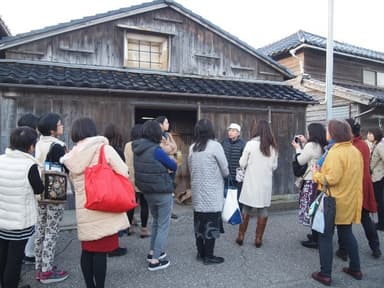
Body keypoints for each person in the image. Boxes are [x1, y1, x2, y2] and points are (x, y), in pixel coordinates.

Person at [62, 118, 129, 288]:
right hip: (105, 204)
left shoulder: (71, 156)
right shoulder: (104, 149)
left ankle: (89, 285)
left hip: (85, 207)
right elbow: (124, 171)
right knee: (100, 252)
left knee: (87, 249)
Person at [311, 120, 363, 286]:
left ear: (333, 133)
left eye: (328, 130)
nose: (326, 133)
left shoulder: (335, 152)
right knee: (347, 233)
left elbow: (331, 179)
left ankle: (325, 274)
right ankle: (356, 269)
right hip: (349, 199)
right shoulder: (355, 150)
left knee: (325, 236)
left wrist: (315, 174)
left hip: (333, 200)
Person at [0, 127, 44, 288]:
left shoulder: (1, 159)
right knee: (15, 259)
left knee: (3, 253)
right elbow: (39, 189)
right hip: (20, 221)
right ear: (31, 146)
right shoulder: (30, 165)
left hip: (2, 218)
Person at [132, 120, 177, 271]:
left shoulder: (138, 149)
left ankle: (152, 252)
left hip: (147, 192)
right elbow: (173, 165)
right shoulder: (156, 150)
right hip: (162, 191)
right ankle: (155, 261)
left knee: (156, 221)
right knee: (163, 225)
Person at [334, 119, 381, 260]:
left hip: (353, 186)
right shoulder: (364, 145)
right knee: (365, 218)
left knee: (344, 220)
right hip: (365, 184)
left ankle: (344, 250)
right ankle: (376, 247)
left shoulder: (349, 147)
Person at [188, 119, 229, 265]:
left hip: (198, 192)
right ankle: (209, 256)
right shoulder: (215, 146)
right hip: (212, 192)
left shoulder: (192, 147)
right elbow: (225, 169)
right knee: (211, 223)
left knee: (199, 223)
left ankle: (200, 253)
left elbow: (190, 168)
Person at [34, 112, 68, 283]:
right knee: (52, 230)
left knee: (41, 227)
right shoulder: (57, 145)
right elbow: (65, 168)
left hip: (38, 190)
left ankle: (39, 267)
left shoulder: (38, 143)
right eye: (60, 124)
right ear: (53, 129)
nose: (62, 126)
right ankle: (47, 271)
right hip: (54, 191)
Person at [236, 120, 278, 247]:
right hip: (265, 184)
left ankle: (241, 236)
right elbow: (274, 166)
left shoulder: (250, 144)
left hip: (251, 182)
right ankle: (258, 239)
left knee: (246, 208)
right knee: (263, 210)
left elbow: (242, 163)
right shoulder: (273, 147)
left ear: (256, 130)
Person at [291, 123, 327, 249]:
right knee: (316, 208)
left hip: (310, 180)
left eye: (308, 132)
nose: (307, 134)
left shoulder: (311, 145)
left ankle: (315, 239)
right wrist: (305, 142)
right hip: (319, 181)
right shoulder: (323, 144)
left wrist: (297, 147)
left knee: (310, 208)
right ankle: (315, 235)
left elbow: (301, 160)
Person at [17, 113, 39, 266]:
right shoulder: (31, 152)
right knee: (32, 223)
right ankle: (29, 254)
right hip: (27, 193)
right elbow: (37, 186)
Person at [103, 123, 128, 257]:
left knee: (107, 217)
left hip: (104, 186)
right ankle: (113, 247)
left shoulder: (103, 149)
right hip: (115, 186)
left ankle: (108, 245)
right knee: (114, 217)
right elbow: (123, 170)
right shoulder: (116, 150)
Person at [124, 124, 151, 238]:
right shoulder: (147, 145)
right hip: (144, 179)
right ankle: (144, 229)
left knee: (131, 205)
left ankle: (129, 226)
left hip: (130, 179)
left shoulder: (127, 145)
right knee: (144, 204)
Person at [155, 116, 179, 219]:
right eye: (166, 122)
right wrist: (170, 147)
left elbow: (176, 147)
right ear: (160, 124)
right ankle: (162, 211)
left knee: (171, 189)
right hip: (163, 167)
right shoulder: (156, 136)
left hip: (172, 166)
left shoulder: (168, 135)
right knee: (164, 190)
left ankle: (170, 210)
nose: (168, 124)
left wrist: (169, 147)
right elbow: (162, 150)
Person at [221, 123, 245, 202]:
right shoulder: (224, 142)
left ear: (238, 133)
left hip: (237, 177)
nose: (230, 132)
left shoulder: (242, 144)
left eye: (233, 131)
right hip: (225, 176)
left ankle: (237, 213)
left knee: (236, 198)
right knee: (225, 197)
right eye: (229, 130)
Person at [369, 127, 384, 232]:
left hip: (379, 177)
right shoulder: (375, 145)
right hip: (375, 177)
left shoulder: (380, 146)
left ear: (376, 134)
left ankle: (381, 224)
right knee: (379, 201)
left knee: (380, 201)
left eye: (371, 133)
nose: (368, 135)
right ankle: (380, 223)